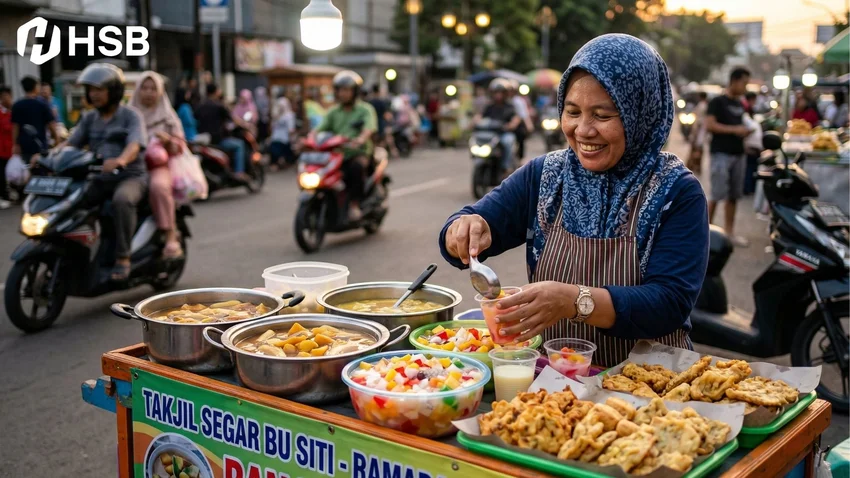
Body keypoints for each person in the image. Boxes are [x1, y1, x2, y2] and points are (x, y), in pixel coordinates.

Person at [439, 34, 709, 366]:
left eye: (603, 115)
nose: (582, 130)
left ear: (639, 114)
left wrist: (575, 301)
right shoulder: (545, 176)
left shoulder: (676, 191)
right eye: (572, 111)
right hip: (558, 383)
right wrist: (463, 229)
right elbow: (475, 220)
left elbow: (668, 303)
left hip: (650, 387)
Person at [69, 63, 148, 281]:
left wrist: (121, 160)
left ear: (113, 91)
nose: (93, 95)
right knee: (73, 200)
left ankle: (123, 257)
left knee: (121, 200)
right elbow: (71, 145)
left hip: (130, 176)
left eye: (99, 89)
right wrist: (48, 156)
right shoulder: (89, 118)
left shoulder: (132, 116)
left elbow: (135, 144)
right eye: (91, 90)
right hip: (98, 177)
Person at [129, 71, 184, 259]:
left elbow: (180, 146)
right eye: (144, 88)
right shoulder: (129, 115)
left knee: (159, 187)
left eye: (153, 89)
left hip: (158, 167)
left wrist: (168, 141)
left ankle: (170, 235)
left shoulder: (167, 116)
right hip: (131, 167)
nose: (149, 92)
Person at [313, 70, 378, 221]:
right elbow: (320, 128)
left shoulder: (365, 109)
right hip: (336, 154)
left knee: (356, 168)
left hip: (358, 152)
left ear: (355, 92)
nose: (343, 94)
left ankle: (354, 205)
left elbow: (369, 127)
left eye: (347, 90)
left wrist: (361, 138)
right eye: (340, 90)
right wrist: (310, 138)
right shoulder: (333, 111)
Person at [706, 67, 752, 248]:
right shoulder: (717, 101)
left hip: (738, 153)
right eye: (744, 83)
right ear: (734, 81)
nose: (745, 87)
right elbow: (710, 125)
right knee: (716, 194)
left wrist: (746, 132)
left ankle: (729, 233)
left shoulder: (741, 104)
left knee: (733, 196)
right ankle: (705, 234)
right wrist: (735, 130)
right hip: (721, 153)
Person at [195, 83, 249, 180]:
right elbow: (233, 119)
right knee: (240, 145)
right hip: (218, 140)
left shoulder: (200, 106)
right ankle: (239, 172)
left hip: (205, 141)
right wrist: (245, 125)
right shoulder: (219, 106)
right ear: (216, 92)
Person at [476, 78, 521, 176]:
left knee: (508, 142)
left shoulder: (510, 106)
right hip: (491, 134)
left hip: (504, 133)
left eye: (501, 92)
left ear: (505, 94)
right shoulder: (489, 106)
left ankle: (506, 167)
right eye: (496, 92)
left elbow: (516, 118)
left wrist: (511, 125)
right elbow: (480, 116)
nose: (498, 95)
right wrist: (475, 122)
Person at [11, 76, 60, 164]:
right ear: (35, 87)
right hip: (40, 145)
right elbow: (51, 125)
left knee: (26, 169)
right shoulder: (42, 105)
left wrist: (15, 144)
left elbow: (15, 127)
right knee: (41, 170)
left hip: (24, 147)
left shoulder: (17, 105)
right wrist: (57, 140)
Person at [508, 80, 534, 161]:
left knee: (520, 136)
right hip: (504, 125)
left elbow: (523, 115)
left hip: (516, 126)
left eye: (511, 90)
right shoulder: (503, 101)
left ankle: (520, 158)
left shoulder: (518, 101)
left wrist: (529, 125)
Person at [269, 95, 296, 168]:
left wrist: (291, 137)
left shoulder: (289, 115)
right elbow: (273, 126)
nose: (281, 107)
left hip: (284, 137)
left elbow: (291, 128)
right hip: (275, 137)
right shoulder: (276, 115)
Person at [686, 91, 708, 174]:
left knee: (696, 149)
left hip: (699, 131)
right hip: (701, 131)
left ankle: (695, 166)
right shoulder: (703, 105)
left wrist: (695, 134)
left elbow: (699, 122)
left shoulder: (702, 106)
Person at [0, 85, 12, 209]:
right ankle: (3, 196)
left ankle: (9, 194)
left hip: (10, 148)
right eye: (4, 97)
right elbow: (7, 127)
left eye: (8, 96)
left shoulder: (12, 111)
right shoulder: (2, 113)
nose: (6, 99)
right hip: (2, 148)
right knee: (2, 174)